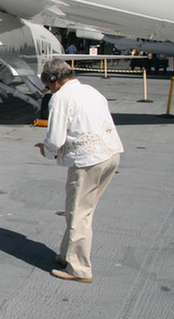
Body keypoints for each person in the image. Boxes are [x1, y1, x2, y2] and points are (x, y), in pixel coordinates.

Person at [34, 58, 123, 283]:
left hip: (89, 160)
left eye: (47, 83)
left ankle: (79, 269)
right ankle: (67, 254)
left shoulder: (61, 98)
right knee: (84, 209)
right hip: (111, 153)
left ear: (53, 80)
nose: (47, 88)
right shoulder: (91, 90)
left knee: (77, 212)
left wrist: (47, 150)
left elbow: (55, 138)